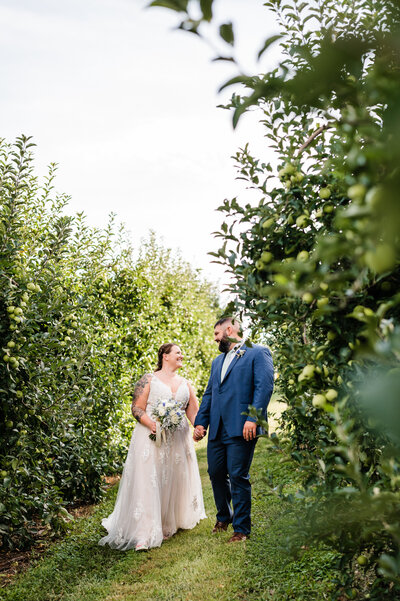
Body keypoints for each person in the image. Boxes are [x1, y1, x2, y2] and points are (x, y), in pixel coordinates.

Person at [99, 343, 206, 551]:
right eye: (178, 353)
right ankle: (143, 532)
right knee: (149, 480)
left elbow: (193, 413)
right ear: (165, 356)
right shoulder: (149, 379)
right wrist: (152, 425)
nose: (181, 356)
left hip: (177, 441)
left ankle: (167, 522)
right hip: (150, 438)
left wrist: (198, 428)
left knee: (172, 480)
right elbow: (136, 408)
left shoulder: (186, 383)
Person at [193, 316, 274, 542]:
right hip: (218, 428)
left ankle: (241, 529)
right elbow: (209, 394)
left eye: (217, 335)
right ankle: (224, 516)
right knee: (216, 473)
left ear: (229, 329)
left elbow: (264, 387)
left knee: (238, 475)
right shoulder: (217, 361)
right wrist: (201, 422)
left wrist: (253, 418)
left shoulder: (257, 352)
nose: (216, 340)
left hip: (242, 426)